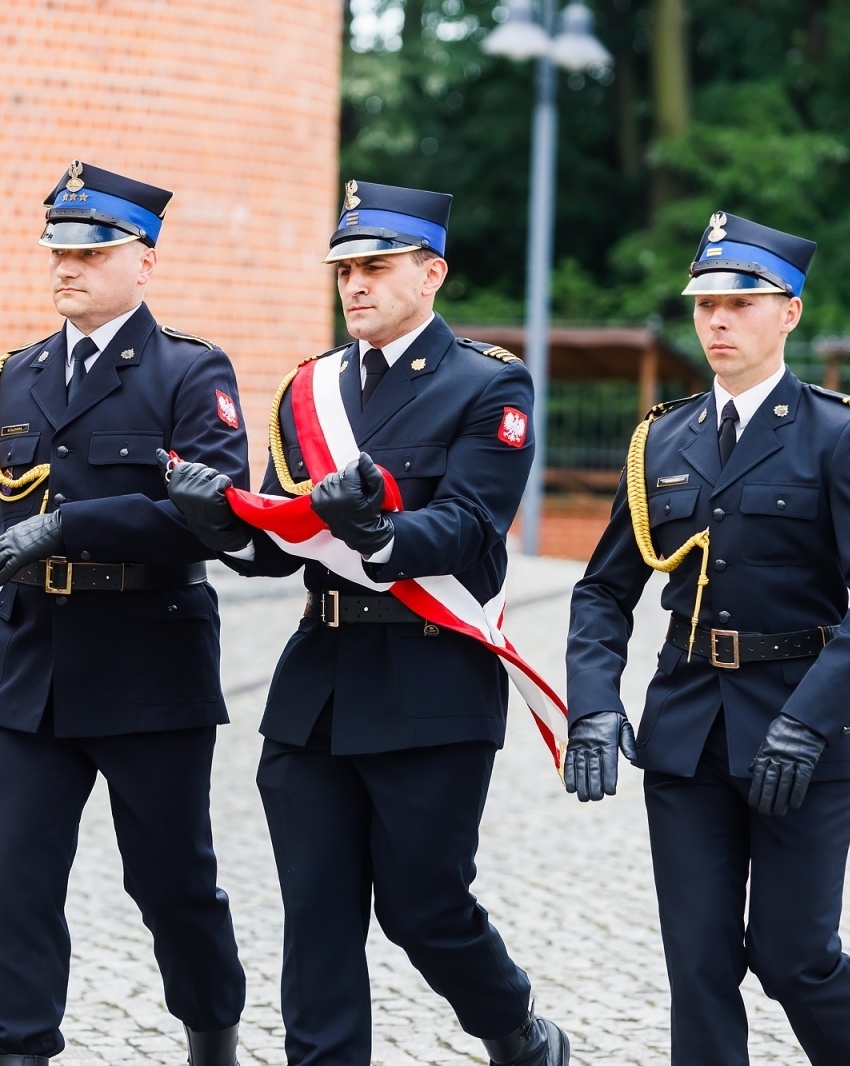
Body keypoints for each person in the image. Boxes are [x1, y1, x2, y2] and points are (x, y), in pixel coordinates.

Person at [163, 179, 569, 1066]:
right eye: (345, 268)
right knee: (316, 916)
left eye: (376, 267)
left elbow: (467, 525)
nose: (355, 284)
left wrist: (383, 531)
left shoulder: (487, 383)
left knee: (425, 908)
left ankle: (515, 1028)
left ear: (432, 274)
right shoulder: (310, 388)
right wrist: (221, 522)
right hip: (321, 682)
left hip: (432, 680)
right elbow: (283, 538)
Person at [0, 160, 249, 1066]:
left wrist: (67, 529)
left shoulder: (190, 372)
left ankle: (212, 1040)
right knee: (15, 884)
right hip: (27, 672)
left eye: (90, 251)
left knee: (174, 884)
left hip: (150, 668)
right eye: (58, 249)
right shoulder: (13, 378)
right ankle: (18, 1053)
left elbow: (211, 520)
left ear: (143, 262)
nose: (67, 266)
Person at [563, 211, 850, 1066]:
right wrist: (593, 707)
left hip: (800, 730)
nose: (718, 321)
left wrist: (810, 719)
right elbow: (603, 590)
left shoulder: (840, 433)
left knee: (794, 956)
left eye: (741, 303)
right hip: (687, 730)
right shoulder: (661, 440)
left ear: (789, 312)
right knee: (698, 964)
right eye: (704, 304)